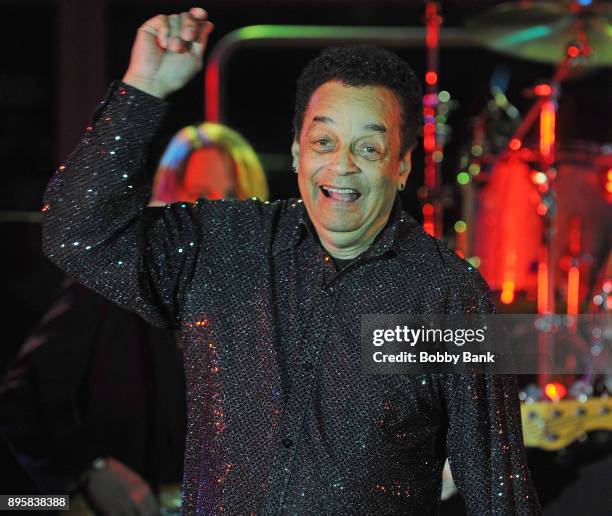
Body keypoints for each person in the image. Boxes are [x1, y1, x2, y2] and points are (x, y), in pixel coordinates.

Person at [41, 7, 541, 515]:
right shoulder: (222, 246)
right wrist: (144, 86)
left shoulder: (448, 296)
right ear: (298, 153)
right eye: (324, 142)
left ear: (402, 166)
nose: (341, 164)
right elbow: (75, 233)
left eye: (368, 147)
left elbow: (498, 491)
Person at [2, 119, 268, 515]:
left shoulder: (267, 301)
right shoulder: (116, 282)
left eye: (231, 196)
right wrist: (89, 475)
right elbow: (23, 399)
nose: (216, 210)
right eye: (198, 195)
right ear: (165, 200)